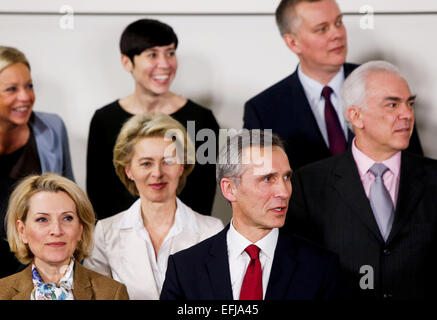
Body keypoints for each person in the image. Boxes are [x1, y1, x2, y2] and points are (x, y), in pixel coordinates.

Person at [286, 61, 437, 300]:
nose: (407, 114)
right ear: (356, 116)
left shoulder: (433, 178)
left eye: (410, 104)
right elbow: (300, 274)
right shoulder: (308, 184)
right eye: (392, 104)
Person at [243, 0, 422, 170]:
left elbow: (416, 171)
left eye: (338, 23)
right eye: (322, 29)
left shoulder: (385, 83)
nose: (337, 34)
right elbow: (257, 188)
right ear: (293, 42)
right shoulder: (263, 110)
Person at [160, 130, 339, 300]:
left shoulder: (321, 268)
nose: (284, 192)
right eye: (268, 179)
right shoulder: (185, 269)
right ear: (230, 189)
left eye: (286, 178)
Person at [87, 19, 220, 220]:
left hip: (187, 240)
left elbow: (204, 192)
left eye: (170, 53)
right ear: (127, 61)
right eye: (152, 55)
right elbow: (99, 195)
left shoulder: (201, 119)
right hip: (119, 241)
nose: (165, 64)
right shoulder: (104, 120)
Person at [84, 113, 223, 299]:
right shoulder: (105, 233)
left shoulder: (213, 230)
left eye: (168, 161)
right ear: (128, 170)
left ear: (182, 166)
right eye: (146, 163)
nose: (157, 173)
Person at [0, 46, 74, 278]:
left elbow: (71, 201)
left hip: (39, 270)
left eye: (29, 86)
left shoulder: (52, 128)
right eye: (11, 89)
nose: (25, 97)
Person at [0, 173, 129, 300]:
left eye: (67, 218)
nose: (57, 231)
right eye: (42, 219)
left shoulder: (112, 293)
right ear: (22, 231)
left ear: (80, 229)